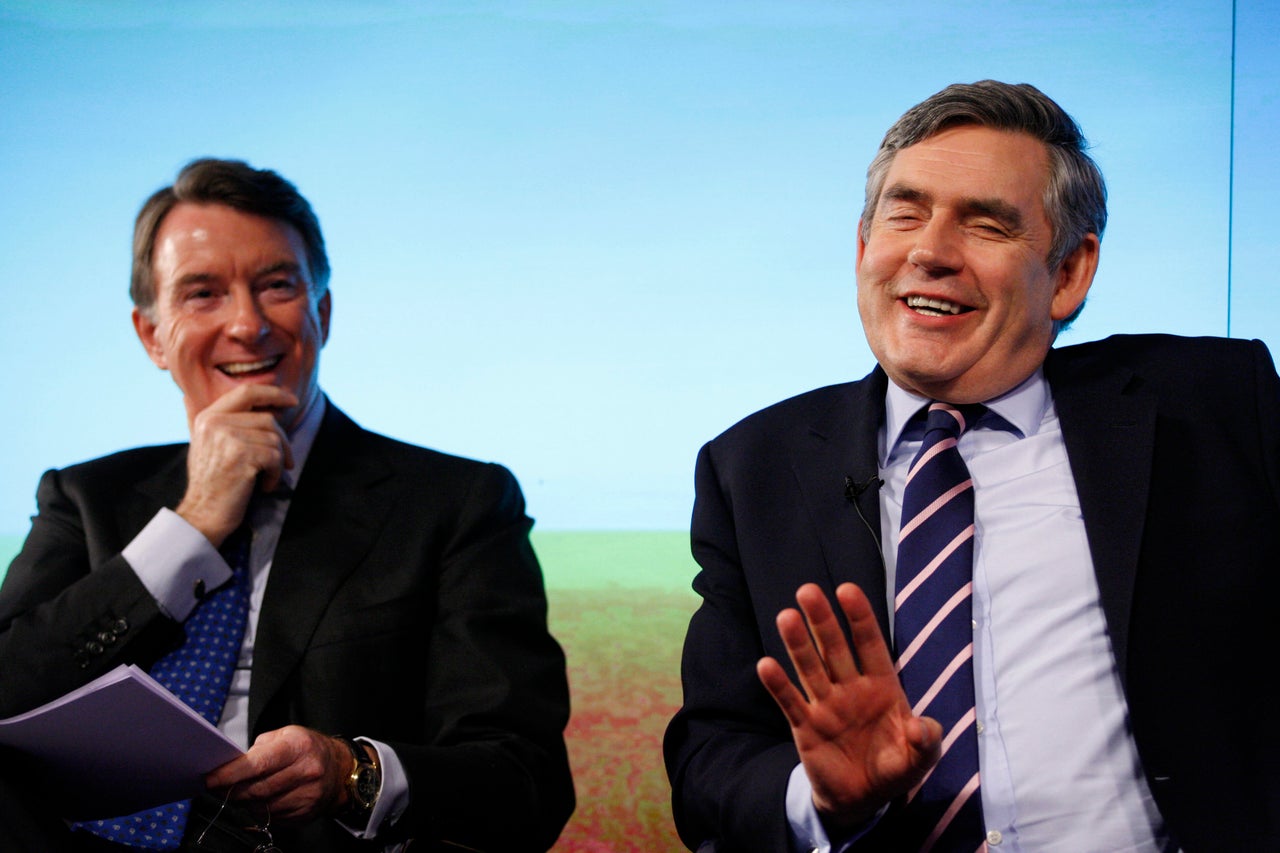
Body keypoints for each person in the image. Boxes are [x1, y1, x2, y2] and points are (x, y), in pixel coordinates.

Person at [664, 80, 1280, 852]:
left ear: (1068, 274)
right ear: (863, 248)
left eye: (986, 224)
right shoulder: (750, 467)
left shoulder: (1219, 406)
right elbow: (710, 758)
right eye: (906, 213)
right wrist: (820, 795)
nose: (930, 251)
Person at [0, 158, 575, 852]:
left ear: (322, 312)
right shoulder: (83, 495)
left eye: (277, 285)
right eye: (202, 293)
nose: (247, 324)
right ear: (152, 335)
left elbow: (526, 783)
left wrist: (351, 773)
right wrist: (190, 526)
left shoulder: (457, 504)